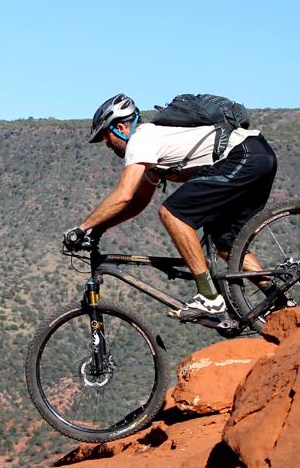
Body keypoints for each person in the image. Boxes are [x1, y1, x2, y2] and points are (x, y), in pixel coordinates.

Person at [64, 93, 278, 322]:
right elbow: (137, 202)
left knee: (173, 214)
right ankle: (278, 297)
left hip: (244, 156)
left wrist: (82, 227)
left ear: (120, 128)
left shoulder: (140, 139)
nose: (106, 144)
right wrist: (100, 228)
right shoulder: (153, 148)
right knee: (226, 245)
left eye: (105, 136)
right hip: (258, 156)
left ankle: (209, 298)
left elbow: (123, 194)